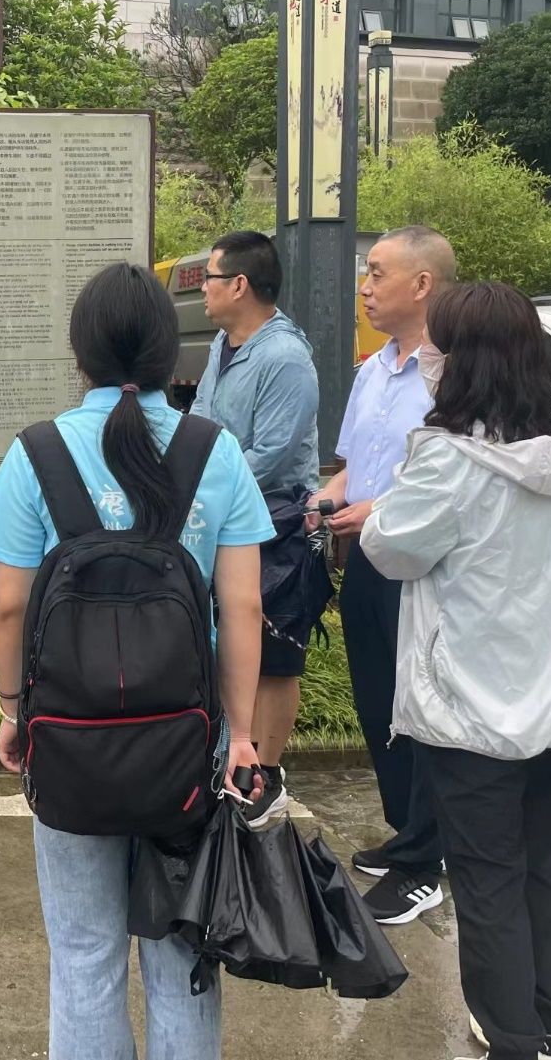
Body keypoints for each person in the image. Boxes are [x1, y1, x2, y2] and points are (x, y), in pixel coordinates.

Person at [0, 261, 273, 1060]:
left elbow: (8, 607)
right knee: (182, 953)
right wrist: (241, 736)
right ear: (171, 354)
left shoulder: (37, 452)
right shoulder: (215, 450)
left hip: (68, 741)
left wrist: (12, 710)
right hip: (187, 745)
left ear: (81, 353)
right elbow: (243, 607)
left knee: (83, 957)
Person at [359, 282, 551, 1060]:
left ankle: (514, 1038)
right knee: (536, 869)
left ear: (464, 362)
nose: (428, 357)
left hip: (466, 711)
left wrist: (409, 464)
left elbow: (388, 547)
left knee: (486, 879)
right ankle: (544, 1021)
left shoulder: (448, 460)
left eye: (438, 346)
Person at [306, 224, 454, 925]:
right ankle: (407, 832)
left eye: (377, 274)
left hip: (423, 567)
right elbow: (352, 467)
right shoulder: (373, 371)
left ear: (422, 284)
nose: (364, 288)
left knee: (421, 705)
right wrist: (328, 496)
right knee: (379, 700)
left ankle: (428, 861)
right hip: (367, 556)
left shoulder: (452, 373)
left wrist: (378, 506)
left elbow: (455, 480)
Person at [189, 230, 320, 826]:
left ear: (239, 284)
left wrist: (205, 484)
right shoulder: (224, 344)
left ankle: (264, 775)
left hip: (276, 524)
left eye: (210, 279)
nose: (203, 290)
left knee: (273, 659)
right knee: (233, 644)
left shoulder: (286, 357)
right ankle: (232, 763)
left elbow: (272, 452)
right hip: (225, 519)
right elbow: (200, 419)